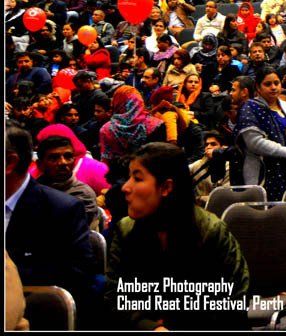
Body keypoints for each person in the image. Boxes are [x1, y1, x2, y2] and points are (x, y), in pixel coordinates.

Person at [105, 143, 250, 330]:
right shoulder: (125, 230)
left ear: (166, 187)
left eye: (137, 179)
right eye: (128, 178)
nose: (126, 187)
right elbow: (115, 297)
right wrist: (150, 326)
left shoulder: (211, 230)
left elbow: (235, 298)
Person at [5, 126, 96, 325]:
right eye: (54, 157)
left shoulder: (62, 210)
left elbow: (77, 277)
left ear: (10, 163)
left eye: (67, 156)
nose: (63, 163)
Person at [234, 65, 286, 200]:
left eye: (276, 83)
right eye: (267, 84)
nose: (273, 87)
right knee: (268, 215)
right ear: (258, 87)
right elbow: (255, 144)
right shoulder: (250, 108)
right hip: (264, 172)